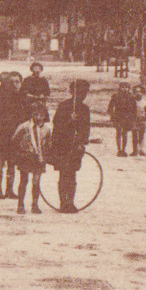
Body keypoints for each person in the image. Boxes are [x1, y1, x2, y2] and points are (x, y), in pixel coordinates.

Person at [49, 79, 92, 212]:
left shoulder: (85, 109)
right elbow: (57, 126)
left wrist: (82, 141)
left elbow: (85, 129)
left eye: (84, 92)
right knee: (63, 173)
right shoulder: (64, 106)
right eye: (79, 92)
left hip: (76, 145)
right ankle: (63, 202)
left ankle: (71, 202)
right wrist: (70, 121)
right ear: (72, 92)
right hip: (62, 145)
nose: (82, 95)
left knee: (72, 174)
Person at [0, 71, 26, 199]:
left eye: (17, 82)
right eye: (11, 82)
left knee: (12, 164)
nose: (15, 85)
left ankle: (9, 189)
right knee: (0, 163)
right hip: (2, 137)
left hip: (16, 137)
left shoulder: (23, 100)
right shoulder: (1, 99)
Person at [10, 100, 52, 214]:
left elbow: (48, 144)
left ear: (44, 115)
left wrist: (47, 157)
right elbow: (14, 141)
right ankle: (20, 204)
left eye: (41, 114)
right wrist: (18, 154)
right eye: (35, 114)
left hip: (39, 159)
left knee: (36, 182)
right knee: (23, 181)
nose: (38, 117)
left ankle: (35, 205)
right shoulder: (24, 127)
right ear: (31, 114)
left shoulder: (47, 129)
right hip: (25, 157)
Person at [107, 82, 137, 156]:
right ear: (119, 88)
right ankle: (119, 149)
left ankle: (124, 150)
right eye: (122, 87)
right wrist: (112, 116)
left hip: (127, 118)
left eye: (126, 87)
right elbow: (110, 107)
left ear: (129, 89)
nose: (124, 89)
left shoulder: (131, 97)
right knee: (118, 133)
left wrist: (132, 118)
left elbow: (134, 109)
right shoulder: (115, 96)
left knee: (125, 134)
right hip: (118, 117)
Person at [131, 80, 146, 157]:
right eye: (136, 92)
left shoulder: (144, 102)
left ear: (143, 93)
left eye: (139, 92)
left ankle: (141, 149)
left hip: (142, 121)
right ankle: (135, 150)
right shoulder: (132, 101)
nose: (138, 93)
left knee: (142, 136)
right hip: (134, 121)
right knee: (135, 136)